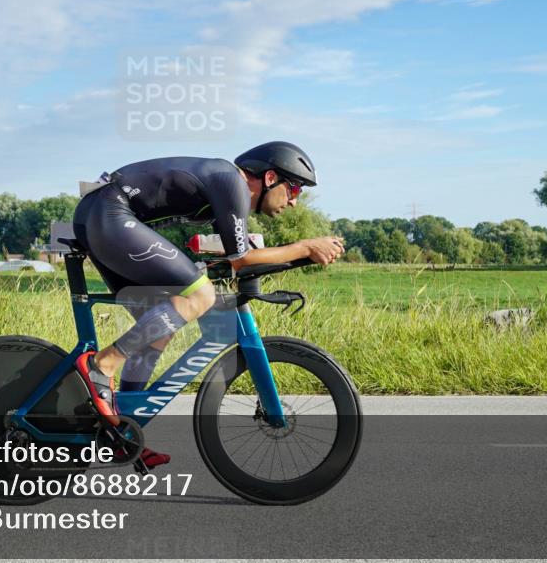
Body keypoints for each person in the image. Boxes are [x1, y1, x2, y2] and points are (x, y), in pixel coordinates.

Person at [71, 141, 345, 468]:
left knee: (158, 325)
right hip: (110, 212)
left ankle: (120, 429)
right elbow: (242, 259)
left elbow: (233, 254)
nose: (295, 202)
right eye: (295, 188)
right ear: (271, 177)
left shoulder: (225, 188)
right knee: (200, 296)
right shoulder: (232, 182)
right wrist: (304, 247)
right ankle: (103, 364)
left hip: (98, 214)